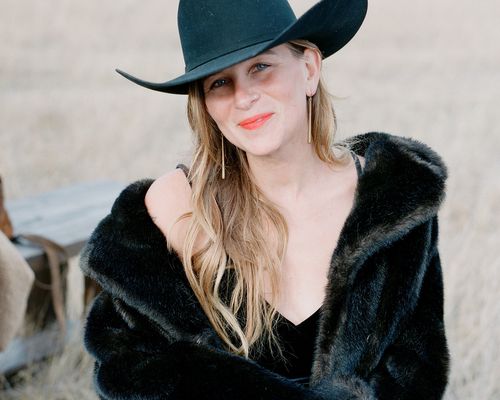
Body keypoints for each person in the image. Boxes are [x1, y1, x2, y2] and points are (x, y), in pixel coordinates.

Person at [80, 0, 450, 399]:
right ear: (204, 104)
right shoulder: (178, 208)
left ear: (309, 69)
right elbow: (126, 370)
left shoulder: (390, 202)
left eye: (261, 68)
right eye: (219, 82)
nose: (244, 97)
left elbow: (418, 370)